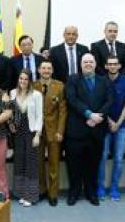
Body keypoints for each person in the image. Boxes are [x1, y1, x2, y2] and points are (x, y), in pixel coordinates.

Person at [64, 54, 112, 205]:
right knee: (74, 165)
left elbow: (110, 100)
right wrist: (89, 114)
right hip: (76, 131)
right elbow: (72, 100)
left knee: (93, 165)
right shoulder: (72, 79)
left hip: (96, 131)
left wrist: (99, 116)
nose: (88, 64)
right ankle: (74, 192)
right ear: (80, 64)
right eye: (85, 62)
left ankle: (91, 193)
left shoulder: (104, 81)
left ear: (96, 63)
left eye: (91, 61)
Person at [97, 56, 125, 201]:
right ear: (105, 66)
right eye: (109, 64)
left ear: (119, 66)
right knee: (102, 157)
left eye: (115, 64)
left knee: (118, 158)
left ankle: (114, 188)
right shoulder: (100, 81)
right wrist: (110, 120)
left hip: (122, 126)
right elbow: (98, 103)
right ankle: (100, 187)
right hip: (104, 126)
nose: (112, 66)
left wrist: (118, 123)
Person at [9, 69, 43, 206]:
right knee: (19, 162)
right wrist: (10, 123)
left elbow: (40, 115)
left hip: (31, 132)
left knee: (31, 164)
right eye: (21, 78)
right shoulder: (12, 93)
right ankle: (21, 194)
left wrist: (37, 135)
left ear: (30, 81)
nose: (23, 81)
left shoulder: (36, 95)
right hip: (17, 132)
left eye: (25, 79)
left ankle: (31, 197)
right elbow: (10, 111)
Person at [36, 60, 66, 206]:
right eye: (43, 68)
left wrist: (60, 131)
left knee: (54, 164)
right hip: (37, 131)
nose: (46, 71)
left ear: (52, 70)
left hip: (54, 132)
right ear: (39, 70)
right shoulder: (32, 86)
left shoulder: (59, 86)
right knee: (39, 164)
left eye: (48, 68)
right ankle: (41, 190)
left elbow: (63, 111)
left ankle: (53, 194)